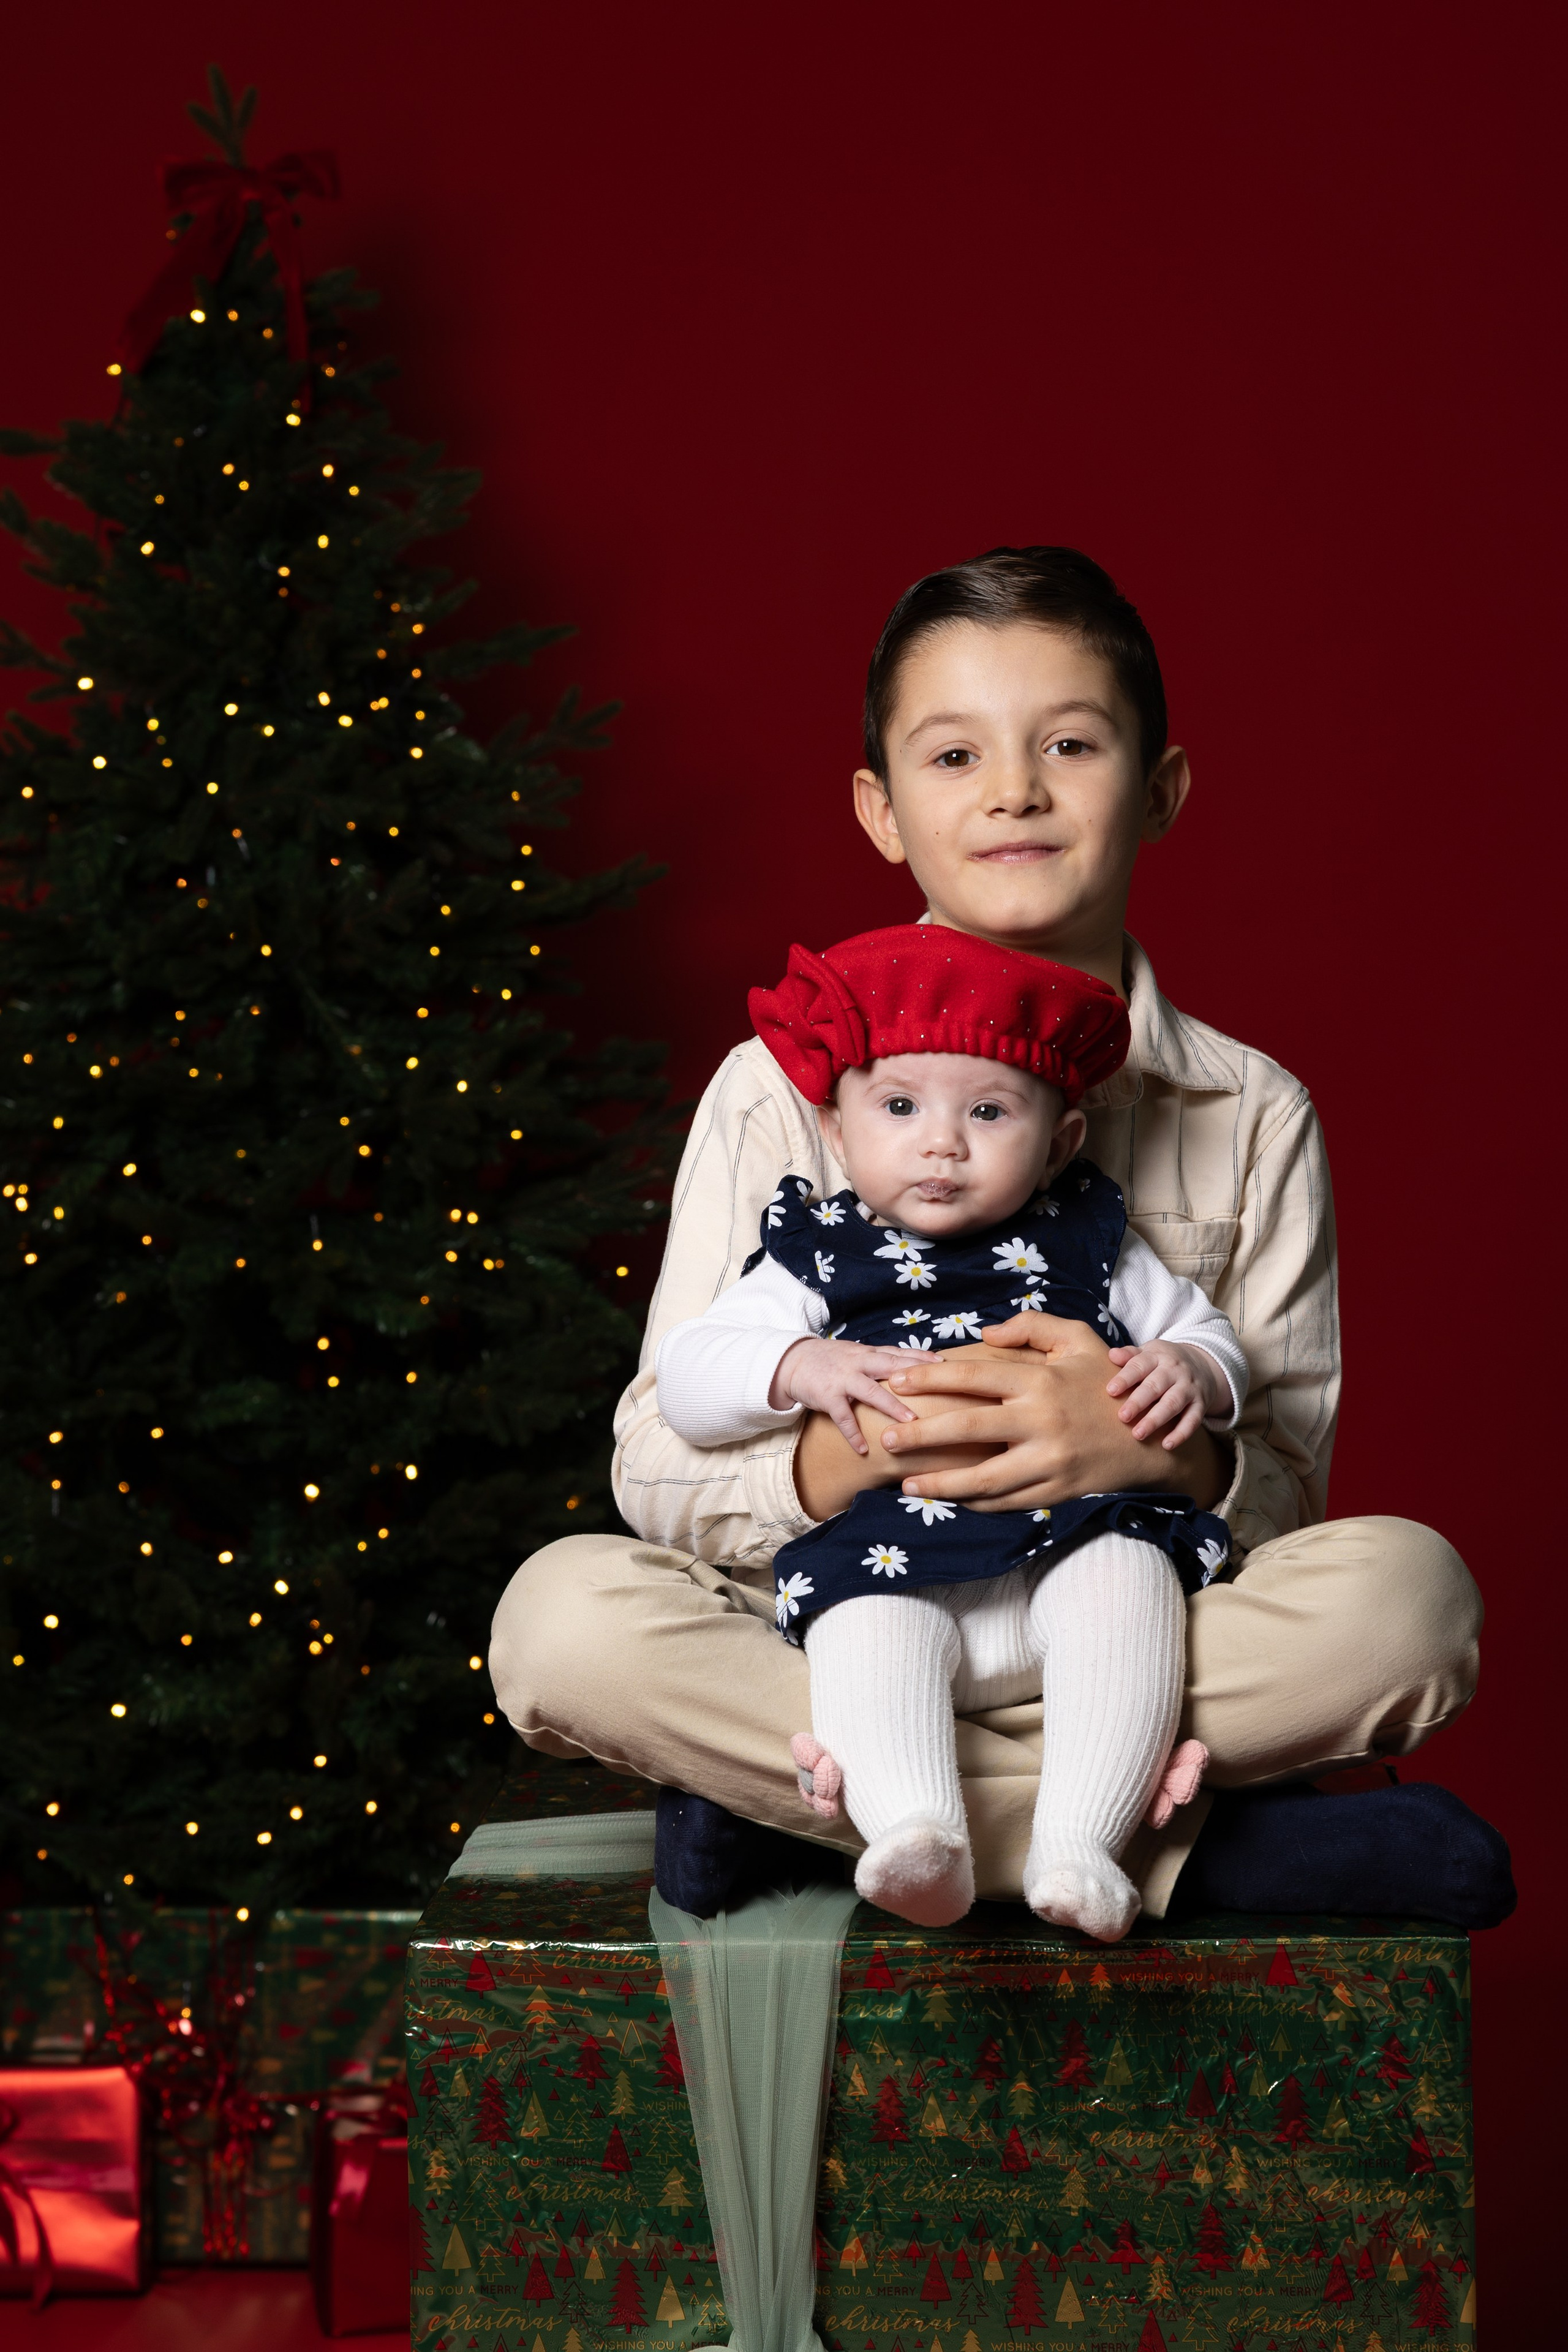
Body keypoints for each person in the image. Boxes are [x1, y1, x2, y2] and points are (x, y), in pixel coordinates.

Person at [489, 545, 1513, 1931]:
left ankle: (827, 1817)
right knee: (557, 1625)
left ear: (1156, 791)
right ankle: (1172, 1839)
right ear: (881, 811)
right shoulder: (773, 1087)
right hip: (848, 1613)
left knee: (1407, 1601)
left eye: (1070, 745)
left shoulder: (1248, 1109)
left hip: (1120, 1602)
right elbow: (657, 1466)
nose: (1014, 789)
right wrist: (856, 1442)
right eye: (954, 754)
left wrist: (1144, 1445)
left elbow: (1280, 1489)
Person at [655, 922, 1246, 1939]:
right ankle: (918, 1831)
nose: (941, 1143)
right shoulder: (818, 1253)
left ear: (1060, 1141)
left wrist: (1187, 1368)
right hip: (893, 1560)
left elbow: (1215, 1340)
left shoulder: (1092, 1239)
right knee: (858, 1619)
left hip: (1068, 1557)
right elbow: (688, 1385)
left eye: (987, 1111)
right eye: (898, 1107)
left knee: (1133, 1577)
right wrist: (798, 1364)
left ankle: (1080, 1845)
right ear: (837, 1132)